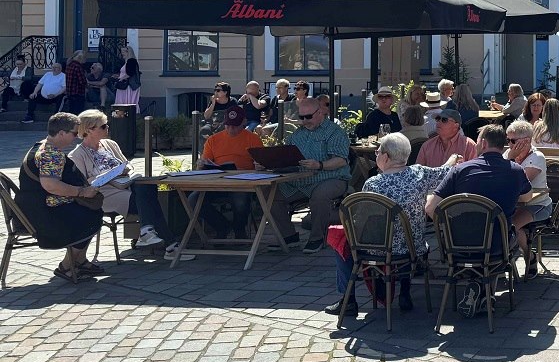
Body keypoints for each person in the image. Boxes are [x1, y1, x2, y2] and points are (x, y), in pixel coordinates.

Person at [327, 133, 459, 317]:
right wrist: (453, 159)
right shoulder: (419, 173)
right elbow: (445, 172)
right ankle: (404, 293)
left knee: (342, 241)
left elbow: (361, 224)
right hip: (414, 249)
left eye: (377, 151)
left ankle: (348, 300)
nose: (376, 155)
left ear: (386, 157)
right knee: (405, 237)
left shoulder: (373, 184)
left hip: (380, 251)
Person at [425, 124, 533, 318]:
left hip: (457, 245)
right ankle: (485, 292)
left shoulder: (459, 170)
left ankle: (479, 288)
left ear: (482, 143)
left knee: (480, 241)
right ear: (503, 146)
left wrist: (447, 227)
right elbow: (527, 197)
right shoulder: (515, 171)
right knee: (506, 239)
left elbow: (431, 208)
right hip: (496, 246)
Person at [69, 109, 182, 258]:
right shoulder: (77, 155)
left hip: (126, 185)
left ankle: (149, 232)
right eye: (103, 126)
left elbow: (127, 164)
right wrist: (111, 175)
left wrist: (124, 170)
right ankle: (168, 244)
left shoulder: (110, 144)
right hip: (105, 194)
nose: (107, 128)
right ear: (89, 130)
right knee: (149, 200)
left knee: (146, 185)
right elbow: (85, 184)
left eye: (107, 125)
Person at [16, 112, 103, 281]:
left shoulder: (41, 145)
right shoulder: (51, 155)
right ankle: (67, 266)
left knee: (89, 210)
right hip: (42, 213)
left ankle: (80, 261)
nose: (76, 137)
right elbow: (51, 185)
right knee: (91, 215)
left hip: (30, 207)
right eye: (74, 133)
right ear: (61, 133)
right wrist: (82, 192)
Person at [269, 98, 351, 254]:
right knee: (269, 194)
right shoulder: (296, 135)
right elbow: (286, 157)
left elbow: (341, 160)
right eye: (301, 117)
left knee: (320, 195)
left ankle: (317, 238)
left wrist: (320, 165)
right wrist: (269, 163)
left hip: (332, 178)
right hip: (300, 181)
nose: (305, 121)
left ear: (320, 112)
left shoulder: (334, 131)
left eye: (308, 117)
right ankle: (289, 236)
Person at [191, 106, 264, 240]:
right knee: (193, 199)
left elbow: (263, 165)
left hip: (243, 184)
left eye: (235, 126)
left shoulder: (253, 139)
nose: (231, 129)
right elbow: (204, 163)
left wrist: (259, 167)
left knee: (240, 199)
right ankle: (221, 226)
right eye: (228, 125)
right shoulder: (213, 140)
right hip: (217, 184)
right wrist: (201, 165)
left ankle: (239, 229)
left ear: (244, 122)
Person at [504, 120, 552, 276]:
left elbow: (519, 183)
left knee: (510, 226)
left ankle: (529, 256)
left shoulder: (537, 157)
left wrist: (510, 159)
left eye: (512, 140)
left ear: (525, 141)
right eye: (507, 140)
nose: (509, 144)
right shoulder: (508, 154)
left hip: (537, 205)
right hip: (514, 204)